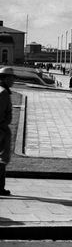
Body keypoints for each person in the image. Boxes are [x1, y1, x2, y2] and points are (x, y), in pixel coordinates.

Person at [0, 67, 15, 196]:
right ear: (4, 79)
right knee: (1, 160)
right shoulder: (3, 93)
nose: (13, 81)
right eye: (11, 78)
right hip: (1, 130)